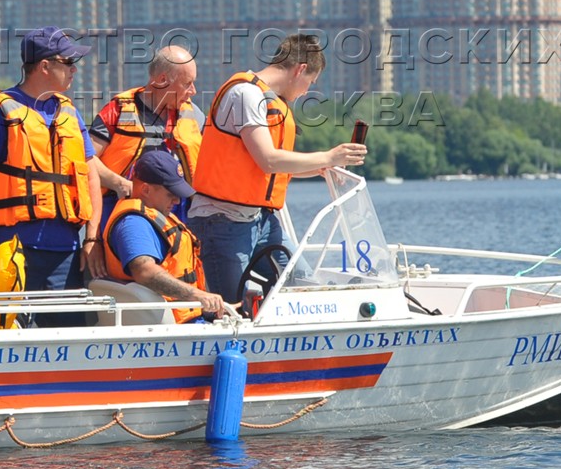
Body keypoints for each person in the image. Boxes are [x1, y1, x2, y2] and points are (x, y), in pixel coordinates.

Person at [189, 32, 367, 302]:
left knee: (303, 287)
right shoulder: (246, 94)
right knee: (230, 310)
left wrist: (321, 169)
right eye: (311, 82)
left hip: (260, 221)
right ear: (300, 70)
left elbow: (275, 166)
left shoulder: (269, 100)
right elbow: (269, 159)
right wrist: (328, 156)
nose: (307, 91)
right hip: (222, 220)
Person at [0, 27, 104, 328]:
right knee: (6, 332)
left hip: (65, 251)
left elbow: (90, 173)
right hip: (11, 246)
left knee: (67, 337)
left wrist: (92, 237)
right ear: (45, 66)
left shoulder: (68, 111)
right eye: (68, 63)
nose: (74, 70)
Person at [102, 149, 228, 323]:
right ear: (145, 189)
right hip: (172, 329)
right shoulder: (133, 224)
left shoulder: (154, 212)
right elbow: (145, 271)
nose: (177, 201)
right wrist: (197, 295)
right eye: (171, 194)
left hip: (187, 319)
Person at [88, 45, 203, 208]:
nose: (193, 91)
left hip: (178, 210)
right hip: (125, 208)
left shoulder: (193, 114)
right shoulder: (118, 110)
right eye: (187, 83)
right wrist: (119, 183)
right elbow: (87, 158)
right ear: (162, 80)